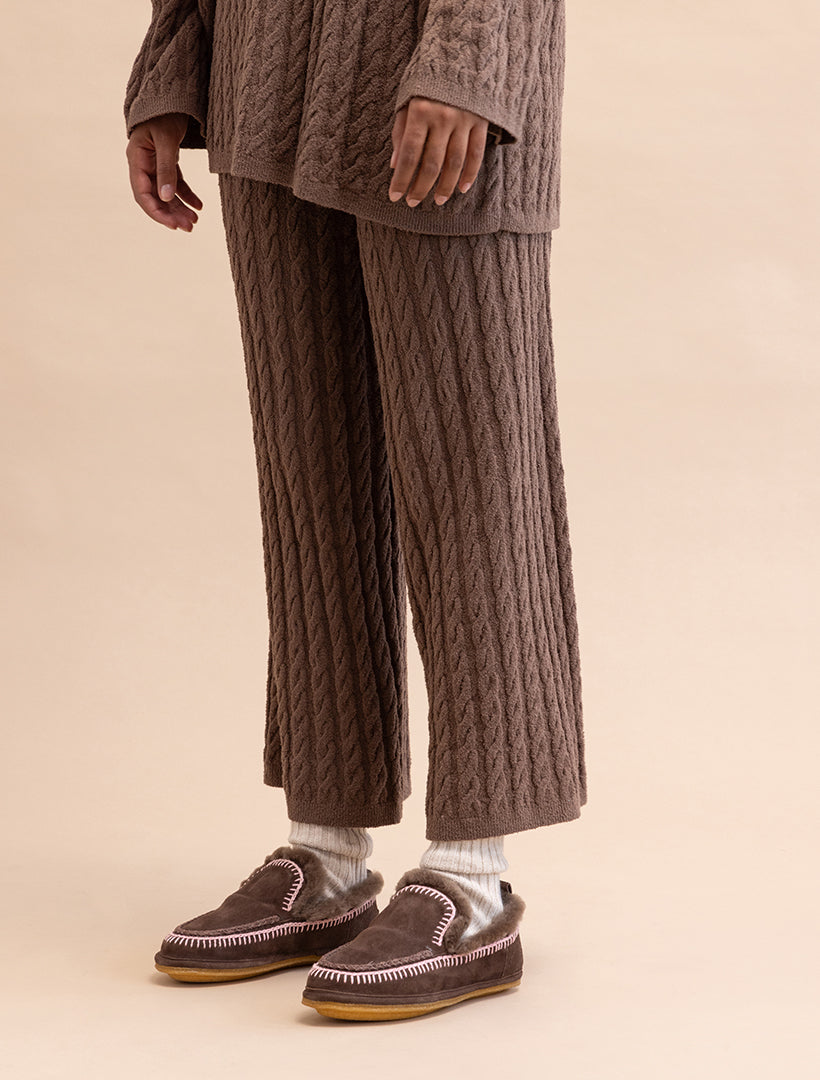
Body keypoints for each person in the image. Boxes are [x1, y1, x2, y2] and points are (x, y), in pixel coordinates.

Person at [124, 0, 587, 1021]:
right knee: (309, 480)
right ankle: (327, 852)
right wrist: (174, 63)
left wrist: (470, 56)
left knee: (472, 472)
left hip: (430, 63)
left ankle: (473, 877)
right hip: (260, 73)